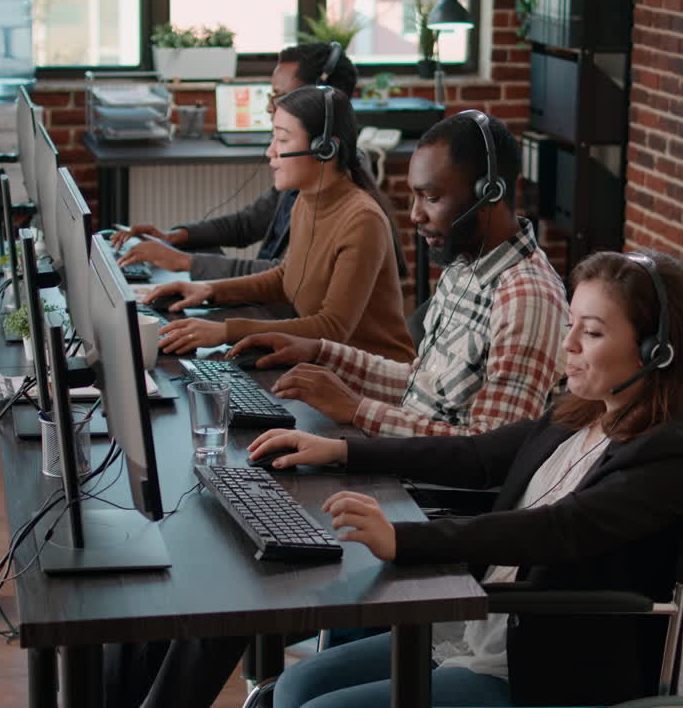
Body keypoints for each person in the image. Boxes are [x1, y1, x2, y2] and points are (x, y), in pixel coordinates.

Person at [247, 250, 683, 708]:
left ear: (656, 351)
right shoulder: (580, 414)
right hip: (477, 630)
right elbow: (473, 454)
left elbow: (555, 529)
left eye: (591, 332)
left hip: (540, 667)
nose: (568, 344)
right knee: (294, 689)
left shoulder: (671, 455)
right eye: (570, 324)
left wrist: (404, 539)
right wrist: (343, 450)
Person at [228, 110, 569, 438]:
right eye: (414, 197)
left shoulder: (527, 299)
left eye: (431, 197)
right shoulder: (465, 266)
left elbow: (489, 449)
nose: (415, 215)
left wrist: (357, 409)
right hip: (406, 457)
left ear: (491, 193)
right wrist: (317, 351)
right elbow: (419, 384)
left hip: (436, 492)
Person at [144, 85, 415, 363]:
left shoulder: (362, 220)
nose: (270, 152)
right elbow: (286, 277)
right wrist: (210, 290)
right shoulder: (304, 201)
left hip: (373, 379)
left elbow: (333, 329)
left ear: (324, 148)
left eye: (282, 140)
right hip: (324, 368)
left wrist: (227, 331)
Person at [109, 42, 357, 280]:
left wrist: (185, 262)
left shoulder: (338, 192)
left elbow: (285, 278)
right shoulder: (305, 168)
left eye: (281, 97)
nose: (271, 108)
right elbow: (247, 224)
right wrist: (173, 237)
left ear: (321, 103)